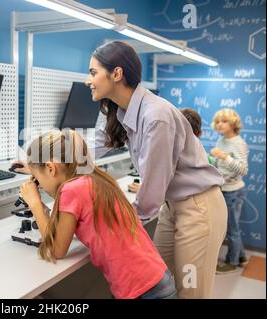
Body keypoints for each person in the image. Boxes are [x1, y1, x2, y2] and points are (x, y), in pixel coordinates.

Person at [84, 40, 227, 298]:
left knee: (190, 292)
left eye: (93, 72)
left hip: (198, 209)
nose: (88, 80)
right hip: (172, 207)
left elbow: (151, 191)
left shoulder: (155, 115)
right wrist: (41, 162)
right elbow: (90, 147)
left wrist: (109, 229)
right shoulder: (124, 111)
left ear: (116, 74)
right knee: (160, 286)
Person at [19, 129, 177, 299]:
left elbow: (57, 250)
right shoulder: (96, 179)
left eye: (38, 178)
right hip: (157, 279)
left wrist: (34, 204)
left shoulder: (71, 190)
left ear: (51, 168)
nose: (40, 186)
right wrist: (44, 210)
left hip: (143, 290)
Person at [211, 109, 249, 273]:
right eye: (218, 121)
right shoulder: (222, 140)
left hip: (232, 192)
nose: (220, 124)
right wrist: (212, 159)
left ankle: (232, 262)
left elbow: (242, 169)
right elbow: (220, 163)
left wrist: (224, 156)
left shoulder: (238, 143)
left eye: (224, 121)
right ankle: (241, 256)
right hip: (224, 189)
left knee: (231, 229)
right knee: (232, 227)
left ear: (233, 124)